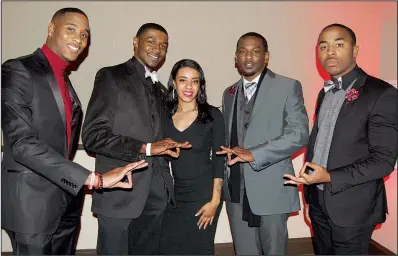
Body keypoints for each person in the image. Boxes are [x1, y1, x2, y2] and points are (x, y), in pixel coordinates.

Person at [1, 8, 147, 255]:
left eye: (84, 34)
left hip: (66, 200)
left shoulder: (63, 78)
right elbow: (22, 144)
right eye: (71, 29)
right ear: (51, 29)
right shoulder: (19, 70)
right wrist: (94, 179)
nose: (78, 39)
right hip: (31, 204)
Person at [284, 23, 397, 255]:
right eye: (323, 46)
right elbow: (319, 146)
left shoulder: (381, 93)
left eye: (339, 44)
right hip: (319, 203)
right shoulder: (325, 92)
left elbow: (384, 161)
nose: (330, 52)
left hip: (353, 209)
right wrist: (309, 199)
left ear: (355, 50)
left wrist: (331, 177)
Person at [82, 23, 191, 255]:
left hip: (155, 196)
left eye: (164, 45)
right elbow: (92, 136)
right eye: (151, 41)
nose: (157, 49)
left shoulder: (162, 89)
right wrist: (148, 148)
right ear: (135, 42)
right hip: (119, 193)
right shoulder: (111, 76)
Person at [217, 32, 309, 255]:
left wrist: (254, 153)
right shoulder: (229, 93)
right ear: (235, 57)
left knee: (274, 251)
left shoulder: (288, 87)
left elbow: (299, 134)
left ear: (266, 57)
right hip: (236, 191)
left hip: (272, 188)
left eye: (255, 51)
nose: (248, 56)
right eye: (242, 51)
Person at [158, 59, 225, 255]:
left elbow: (219, 159)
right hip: (175, 196)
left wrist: (215, 201)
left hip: (204, 196)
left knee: (199, 249)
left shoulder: (212, 115)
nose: (189, 87)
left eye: (195, 81)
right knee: (167, 248)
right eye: (183, 80)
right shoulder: (164, 115)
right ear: (174, 83)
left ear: (200, 85)